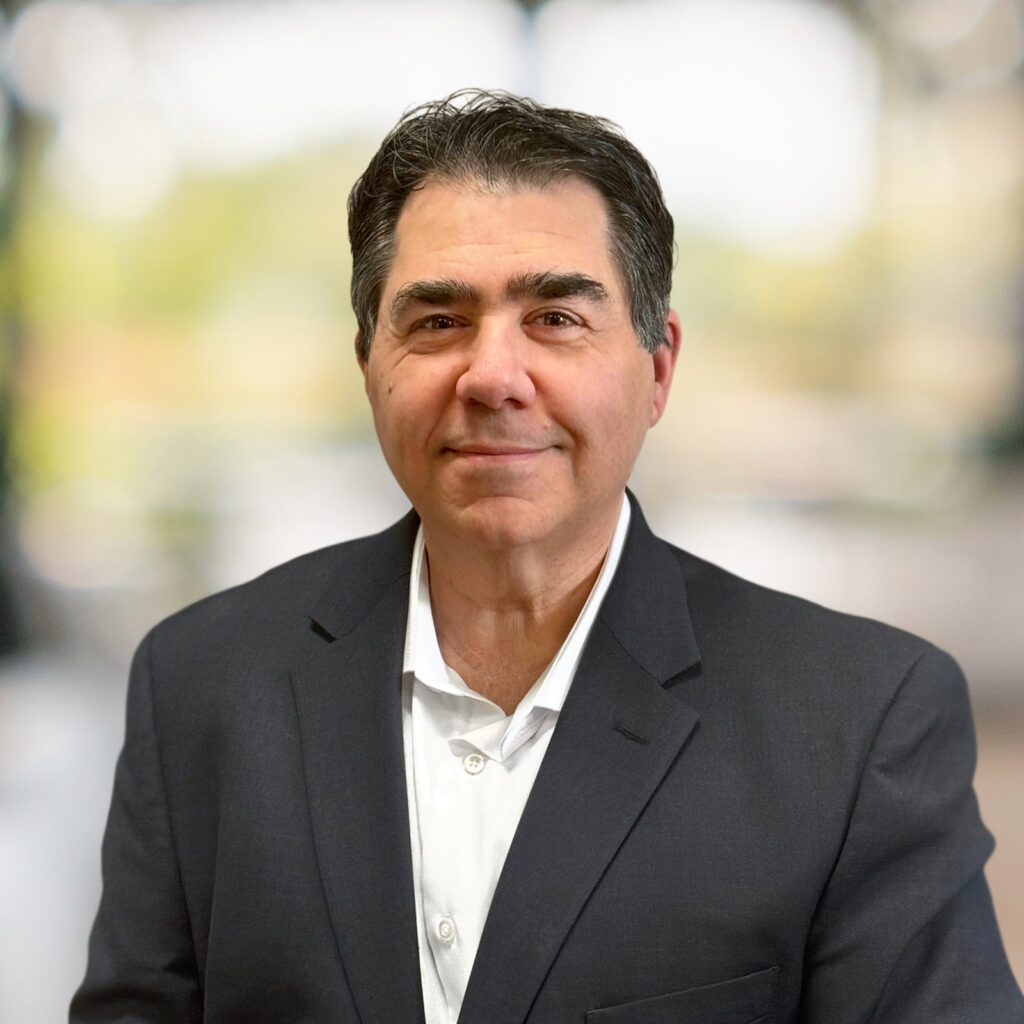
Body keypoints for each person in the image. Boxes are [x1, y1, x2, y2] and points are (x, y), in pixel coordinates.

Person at [71, 90, 1023, 1024]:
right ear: (368, 365)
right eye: (438, 321)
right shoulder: (199, 684)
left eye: (557, 319)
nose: (492, 376)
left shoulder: (859, 723)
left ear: (658, 368)